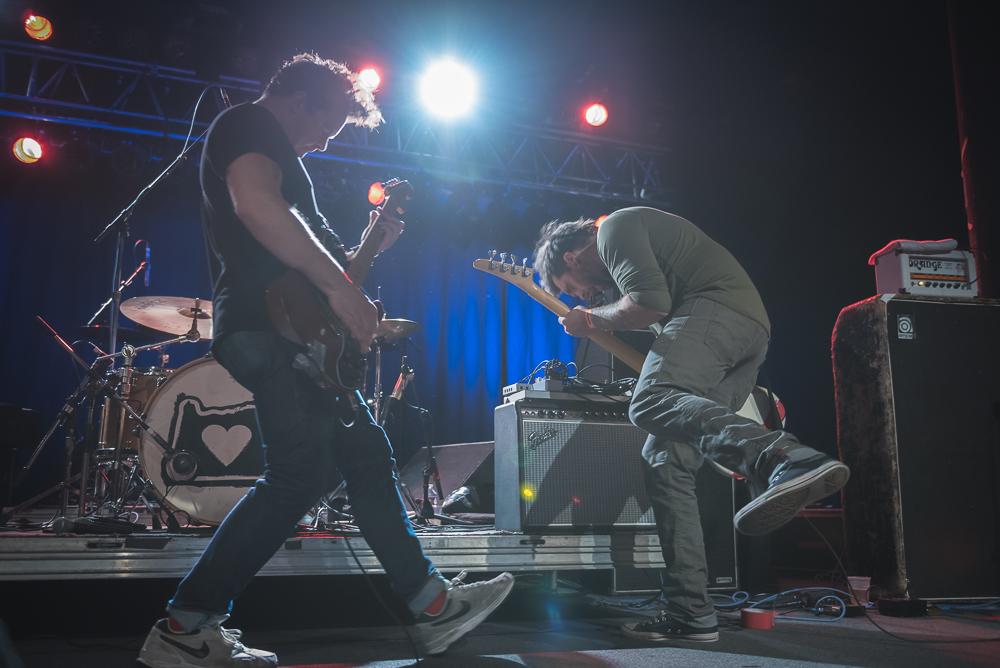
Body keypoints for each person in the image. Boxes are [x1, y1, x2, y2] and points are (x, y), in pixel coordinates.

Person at [138, 54, 513, 668]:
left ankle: (434, 607)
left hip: (294, 332)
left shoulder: (287, 169)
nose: (328, 137)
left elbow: (324, 281)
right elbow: (257, 208)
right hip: (268, 328)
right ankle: (184, 628)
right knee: (298, 476)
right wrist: (341, 289)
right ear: (299, 97)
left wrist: (365, 255)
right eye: (331, 119)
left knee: (365, 455)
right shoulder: (246, 125)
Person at [533, 207, 849, 643]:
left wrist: (588, 321)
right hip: (746, 332)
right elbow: (657, 311)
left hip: (717, 313)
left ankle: (782, 457)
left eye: (575, 288)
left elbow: (649, 305)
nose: (585, 295)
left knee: (649, 401)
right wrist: (599, 318)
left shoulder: (614, 230)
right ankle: (691, 612)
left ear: (571, 256)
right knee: (663, 458)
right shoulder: (633, 246)